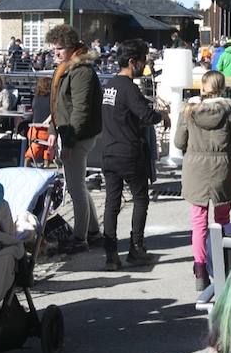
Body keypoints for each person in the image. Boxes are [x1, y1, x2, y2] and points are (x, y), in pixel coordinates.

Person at [175, 70, 231, 291]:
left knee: (198, 222)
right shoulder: (229, 110)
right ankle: (222, 263)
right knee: (222, 219)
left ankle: (200, 270)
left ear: (203, 87)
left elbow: (179, 142)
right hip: (222, 169)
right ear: (222, 87)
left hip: (195, 170)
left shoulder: (189, 110)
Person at [99, 39, 167, 271]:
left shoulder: (108, 85)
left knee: (112, 203)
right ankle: (136, 249)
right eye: (143, 59)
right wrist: (162, 115)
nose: (145, 63)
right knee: (140, 199)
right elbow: (146, 116)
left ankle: (111, 256)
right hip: (128, 152)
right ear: (132, 61)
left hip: (108, 152)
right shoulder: (129, 88)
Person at [47, 25, 103, 252]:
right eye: (54, 49)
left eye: (59, 49)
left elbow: (80, 111)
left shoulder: (81, 71)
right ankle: (92, 232)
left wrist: (68, 141)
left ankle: (80, 238)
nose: (55, 53)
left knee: (75, 187)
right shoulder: (67, 68)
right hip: (70, 132)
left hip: (78, 135)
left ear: (71, 47)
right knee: (78, 184)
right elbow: (59, 106)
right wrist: (53, 131)